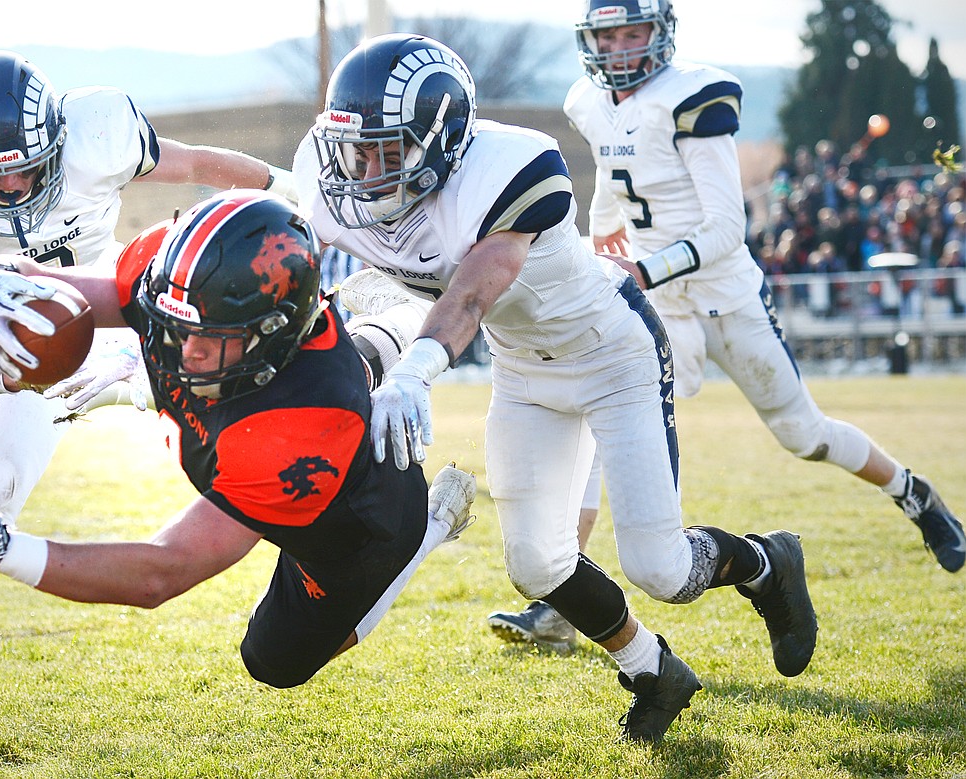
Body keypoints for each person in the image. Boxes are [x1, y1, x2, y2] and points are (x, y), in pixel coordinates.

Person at [292, 32, 817, 743]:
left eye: (391, 152)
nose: (367, 172)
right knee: (536, 562)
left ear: (442, 140)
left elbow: (475, 289)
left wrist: (416, 368)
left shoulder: (512, 166)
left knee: (661, 568)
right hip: (524, 371)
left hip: (612, 356)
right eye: (359, 151)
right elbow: (350, 262)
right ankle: (652, 670)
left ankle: (765, 561)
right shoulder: (338, 190)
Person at [486, 0, 966, 649]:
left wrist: (640, 270)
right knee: (612, 429)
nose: (623, 48)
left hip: (722, 294)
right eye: (611, 35)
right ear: (589, 40)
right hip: (663, 305)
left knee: (802, 431)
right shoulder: (588, 100)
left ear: (659, 34)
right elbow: (612, 187)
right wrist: (599, 250)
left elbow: (726, 226)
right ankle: (564, 605)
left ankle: (915, 492)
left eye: (635, 33)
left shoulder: (692, 96)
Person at [0, 50, 300, 752]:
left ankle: (331, 544)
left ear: (58, 144)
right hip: (24, 362)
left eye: (25, 166)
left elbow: (193, 162)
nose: (11, 186)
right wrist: (8, 372)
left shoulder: (98, 134)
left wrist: (293, 194)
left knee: (258, 420)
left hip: (130, 315)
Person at [0, 191, 478, 720]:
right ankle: (388, 323)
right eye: (177, 325)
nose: (184, 350)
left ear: (272, 333)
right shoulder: (180, 277)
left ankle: (430, 526)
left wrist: (7, 550)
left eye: (210, 337)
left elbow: (162, 573)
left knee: (274, 663)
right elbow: (80, 295)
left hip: (356, 522)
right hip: (296, 392)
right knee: (333, 369)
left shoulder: (302, 426)